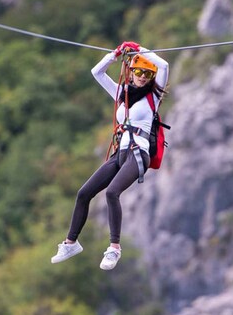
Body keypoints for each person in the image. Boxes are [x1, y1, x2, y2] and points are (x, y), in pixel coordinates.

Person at [51, 41, 169, 270]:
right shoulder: (121, 94)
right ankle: (70, 243)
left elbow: (163, 66)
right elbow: (97, 72)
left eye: (147, 73)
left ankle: (114, 248)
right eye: (138, 72)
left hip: (138, 153)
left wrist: (139, 48)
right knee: (84, 193)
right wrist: (115, 55)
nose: (143, 77)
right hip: (120, 153)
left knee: (112, 192)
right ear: (131, 72)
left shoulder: (153, 98)